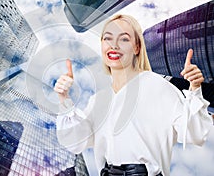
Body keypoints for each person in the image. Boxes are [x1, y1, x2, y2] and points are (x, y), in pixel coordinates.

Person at [54, 14, 212, 176]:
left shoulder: (157, 85)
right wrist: (64, 99)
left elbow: (195, 134)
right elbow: (76, 142)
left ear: (136, 47)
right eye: (107, 39)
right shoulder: (98, 99)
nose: (114, 45)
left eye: (124, 39)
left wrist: (195, 88)